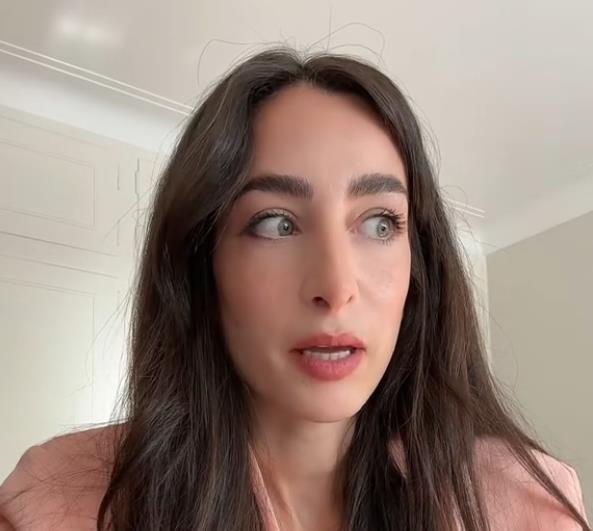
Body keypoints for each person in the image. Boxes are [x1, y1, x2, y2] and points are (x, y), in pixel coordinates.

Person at [0, 46, 589, 531]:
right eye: (276, 223)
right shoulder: (58, 503)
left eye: (380, 223)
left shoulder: (529, 506)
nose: (335, 287)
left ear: (421, 265)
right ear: (201, 262)